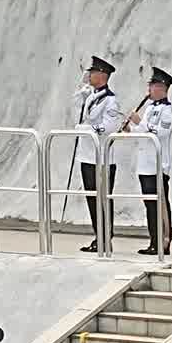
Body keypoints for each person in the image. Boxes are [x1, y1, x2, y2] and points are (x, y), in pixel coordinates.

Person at [72, 56, 124, 251]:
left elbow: (108, 127)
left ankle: (105, 238)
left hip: (102, 158)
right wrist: (81, 89)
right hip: (87, 156)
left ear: (102, 75)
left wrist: (85, 129)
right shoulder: (91, 97)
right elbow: (76, 111)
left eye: (92, 72)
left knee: (102, 200)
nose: (89, 75)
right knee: (92, 199)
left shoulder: (111, 101)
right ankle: (98, 236)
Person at [125, 68, 172, 255]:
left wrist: (139, 123)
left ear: (162, 87)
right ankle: (153, 241)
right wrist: (130, 129)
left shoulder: (167, 110)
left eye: (153, 85)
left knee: (160, 206)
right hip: (145, 165)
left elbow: (161, 133)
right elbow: (143, 132)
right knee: (149, 205)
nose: (149, 89)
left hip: (158, 165)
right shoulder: (150, 108)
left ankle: (163, 242)